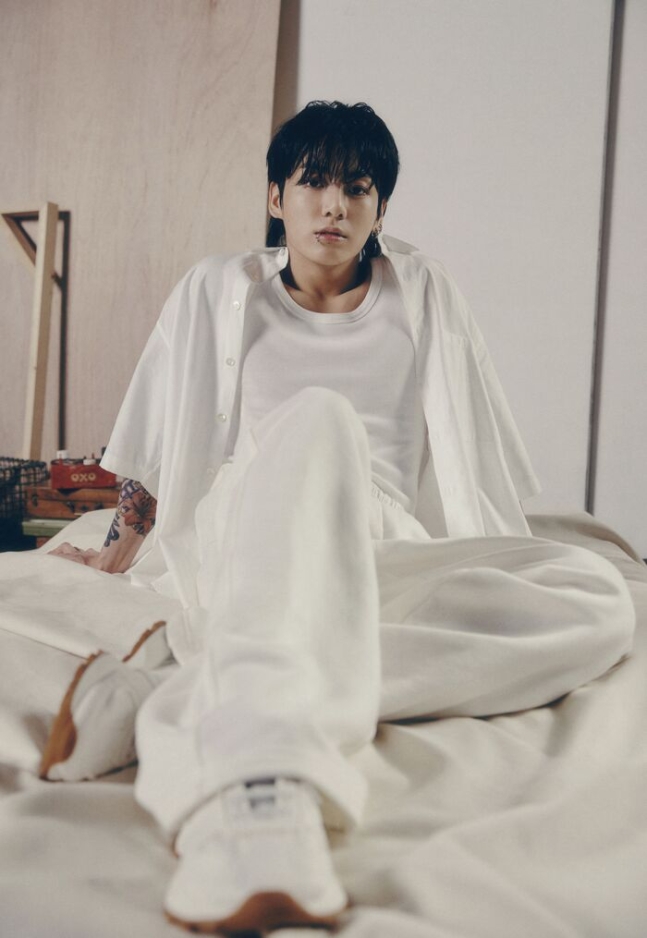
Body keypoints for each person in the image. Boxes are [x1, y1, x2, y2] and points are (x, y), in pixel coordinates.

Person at [43, 101, 635, 935]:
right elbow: (154, 435)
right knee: (321, 418)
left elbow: (473, 462)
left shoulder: (423, 293)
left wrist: (488, 556)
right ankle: (257, 797)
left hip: (377, 536)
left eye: (357, 189)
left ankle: (177, 688)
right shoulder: (217, 289)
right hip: (254, 521)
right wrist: (117, 550)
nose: (334, 205)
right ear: (276, 198)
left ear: (380, 209)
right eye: (313, 182)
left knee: (597, 600)